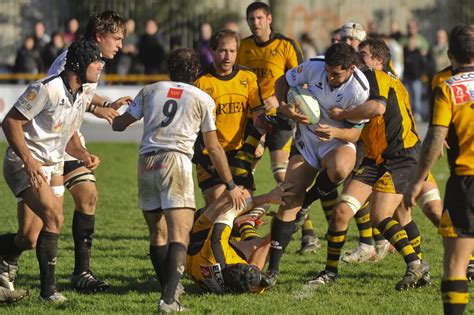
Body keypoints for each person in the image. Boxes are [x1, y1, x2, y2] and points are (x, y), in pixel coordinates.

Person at [0, 10, 130, 296]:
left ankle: (78, 274)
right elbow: (55, 104)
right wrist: (32, 158)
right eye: (117, 38)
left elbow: (80, 97)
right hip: (45, 144)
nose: (120, 45)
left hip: (60, 146)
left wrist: (101, 107)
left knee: (66, 210)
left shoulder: (90, 67)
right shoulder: (67, 68)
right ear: (99, 38)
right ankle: (45, 285)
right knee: (39, 228)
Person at [112, 48, 246, 313]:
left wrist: (113, 108)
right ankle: (168, 300)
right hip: (175, 161)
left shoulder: (151, 90)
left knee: (157, 233)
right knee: (179, 234)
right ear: (195, 72)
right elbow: (214, 147)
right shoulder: (202, 97)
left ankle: (169, 290)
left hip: (146, 163)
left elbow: (119, 125)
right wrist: (230, 184)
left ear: (169, 69)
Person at [312, 38, 429, 290]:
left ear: (378, 60)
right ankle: (330, 271)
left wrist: (342, 115)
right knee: (342, 212)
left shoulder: (377, 76)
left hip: (401, 157)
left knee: (382, 215)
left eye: (362, 55)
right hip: (376, 158)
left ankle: (416, 264)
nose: (358, 59)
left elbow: (376, 108)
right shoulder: (371, 80)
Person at [262, 43, 370, 286]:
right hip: (308, 139)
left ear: (351, 69)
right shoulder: (313, 66)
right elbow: (282, 82)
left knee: (341, 168)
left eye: (337, 74)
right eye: (329, 72)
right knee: (289, 197)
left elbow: (356, 135)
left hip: (338, 140)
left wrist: (334, 132)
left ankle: (307, 203)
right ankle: (273, 270)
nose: (330, 77)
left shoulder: (360, 89)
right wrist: (284, 107)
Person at [404, 24, 474, 315]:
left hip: (466, 182)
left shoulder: (449, 87)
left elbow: (435, 138)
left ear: (450, 54)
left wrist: (418, 180)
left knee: (456, 265)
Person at [194, 29, 263, 208]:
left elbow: (258, 113)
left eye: (232, 51)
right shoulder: (201, 82)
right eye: (223, 51)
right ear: (212, 51)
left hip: (239, 152)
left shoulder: (247, 77)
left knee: (244, 204)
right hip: (209, 154)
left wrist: (261, 141)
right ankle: (196, 230)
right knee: (219, 203)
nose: (228, 56)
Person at [237, 1, 303, 186]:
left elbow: (302, 81)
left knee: (281, 175)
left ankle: (298, 214)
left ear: (269, 19)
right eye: (251, 19)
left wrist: (277, 98)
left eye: (259, 18)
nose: (255, 22)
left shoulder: (286, 45)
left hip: (280, 116)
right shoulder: (242, 46)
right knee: (243, 171)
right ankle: (244, 213)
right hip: (252, 117)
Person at [186, 183, 293, 294]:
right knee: (259, 244)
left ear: (236, 264)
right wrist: (279, 229)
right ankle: (245, 224)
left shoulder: (216, 247)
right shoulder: (250, 283)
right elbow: (258, 260)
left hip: (198, 240)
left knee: (228, 200)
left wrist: (268, 197)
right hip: (207, 263)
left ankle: (239, 222)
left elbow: (230, 210)